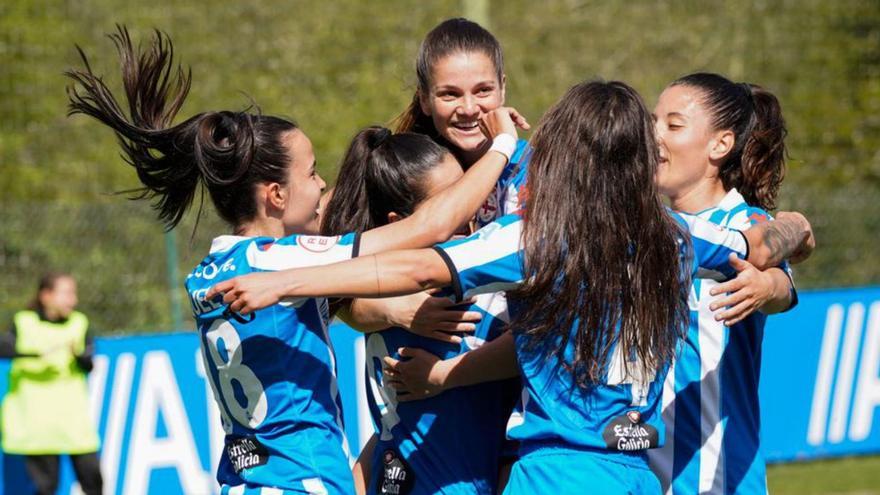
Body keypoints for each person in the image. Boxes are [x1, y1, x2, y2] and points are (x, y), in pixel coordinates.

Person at [207, 80, 814, 494]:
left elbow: (418, 266)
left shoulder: (538, 237)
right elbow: (761, 240)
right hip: (634, 474)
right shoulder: (676, 237)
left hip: (554, 473)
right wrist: (777, 264)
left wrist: (286, 279)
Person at [64, 26, 525, 495]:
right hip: (302, 480)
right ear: (277, 195)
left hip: (247, 480)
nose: (323, 184)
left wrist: (387, 308)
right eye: (311, 173)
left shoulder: (206, 274)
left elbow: (344, 293)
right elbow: (424, 231)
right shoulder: (279, 261)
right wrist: (503, 146)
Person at [342, 18, 531, 492]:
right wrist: (393, 306)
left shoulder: (536, 174)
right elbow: (343, 291)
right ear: (425, 99)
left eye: (483, 90)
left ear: (504, 87)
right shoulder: (408, 167)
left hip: (523, 422)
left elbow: (552, 322)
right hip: (435, 437)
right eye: (450, 94)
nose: (469, 109)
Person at [322, 125, 520, 495]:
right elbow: (531, 348)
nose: (469, 208)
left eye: (466, 191)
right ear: (400, 224)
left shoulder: (374, 289)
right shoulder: (453, 291)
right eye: (450, 203)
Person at [647, 72, 798, 495]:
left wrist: (767, 288)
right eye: (652, 122)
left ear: (720, 144)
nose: (654, 136)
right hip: (639, 477)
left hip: (719, 481)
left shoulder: (745, 224)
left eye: (673, 125)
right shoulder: (646, 229)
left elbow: (779, 285)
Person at [0, 272, 103, 495]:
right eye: (66, 293)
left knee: (94, 482)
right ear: (46, 295)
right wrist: (34, 355)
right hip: (37, 427)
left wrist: (81, 356)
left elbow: (89, 363)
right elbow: (3, 348)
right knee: (45, 488)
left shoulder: (79, 323)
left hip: (74, 425)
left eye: (73, 294)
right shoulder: (23, 322)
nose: (72, 300)